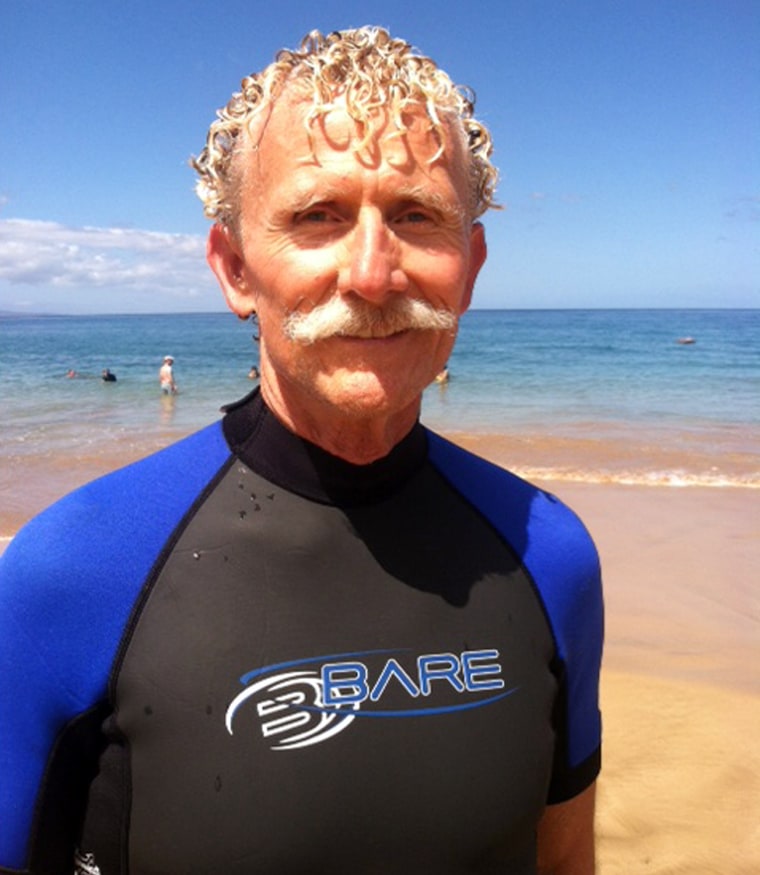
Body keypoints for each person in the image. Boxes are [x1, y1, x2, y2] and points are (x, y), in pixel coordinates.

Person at [0, 27, 603, 875]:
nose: (372, 272)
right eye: (318, 215)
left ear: (468, 267)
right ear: (235, 269)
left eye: (416, 216)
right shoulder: (74, 572)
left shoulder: (552, 557)